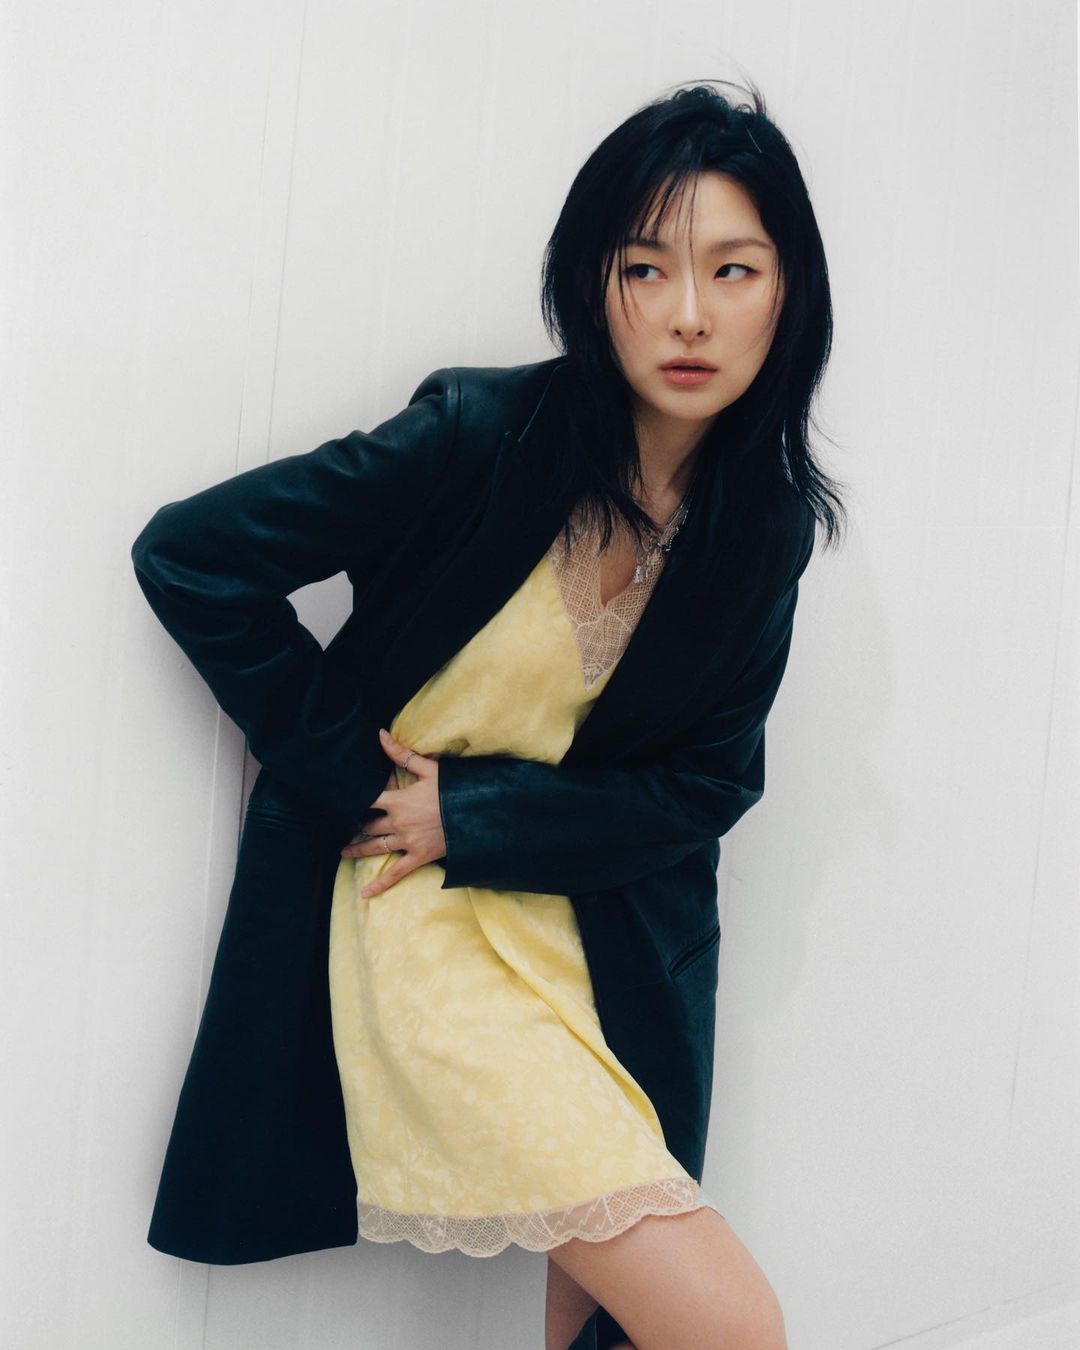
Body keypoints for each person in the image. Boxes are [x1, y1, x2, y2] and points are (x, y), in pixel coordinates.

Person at [132, 78, 845, 1350]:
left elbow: (707, 784)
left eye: (734, 270)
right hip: (417, 916)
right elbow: (191, 556)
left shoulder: (764, 526)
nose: (689, 313)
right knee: (731, 1324)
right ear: (593, 284)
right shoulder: (480, 435)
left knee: (609, 1322)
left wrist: (483, 812)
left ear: (789, 294)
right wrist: (360, 778)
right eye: (646, 268)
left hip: (598, 932)